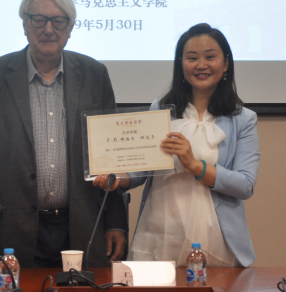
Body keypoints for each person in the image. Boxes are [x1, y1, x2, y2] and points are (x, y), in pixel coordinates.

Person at [0, 0, 127, 271]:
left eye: (59, 21)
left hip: (82, 226)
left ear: (70, 28)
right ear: (25, 24)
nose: (49, 29)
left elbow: (111, 155)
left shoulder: (94, 75)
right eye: (39, 19)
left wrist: (115, 222)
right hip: (11, 230)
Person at [95, 23, 260, 267]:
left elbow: (245, 185)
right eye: (192, 58)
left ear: (225, 63)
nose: (201, 65)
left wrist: (195, 165)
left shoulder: (243, 119)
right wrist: (117, 177)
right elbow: (142, 170)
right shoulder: (160, 109)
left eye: (210, 57)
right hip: (161, 229)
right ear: (181, 64)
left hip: (215, 236)